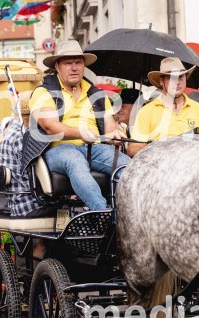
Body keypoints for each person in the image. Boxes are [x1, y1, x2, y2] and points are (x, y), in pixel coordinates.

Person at [28, 40, 130, 211]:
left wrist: (116, 134)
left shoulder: (96, 93)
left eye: (78, 62)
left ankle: (128, 213)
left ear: (83, 65)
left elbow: (110, 126)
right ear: (57, 66)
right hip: (57, 151)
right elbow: (50, 127)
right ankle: (102, 213)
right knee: (75, 160)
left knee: (128, 166)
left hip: (94, 149)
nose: (74, 67)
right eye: (68, 63)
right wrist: (79, 132)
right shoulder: (43, 92)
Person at [127, 57, 199, 157]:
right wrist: (157, 153)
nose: (177, 82)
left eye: (180, 77)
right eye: (171, 77)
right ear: (161, 81)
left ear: (186, 78)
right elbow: (133, 148)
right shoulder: (146, 111)